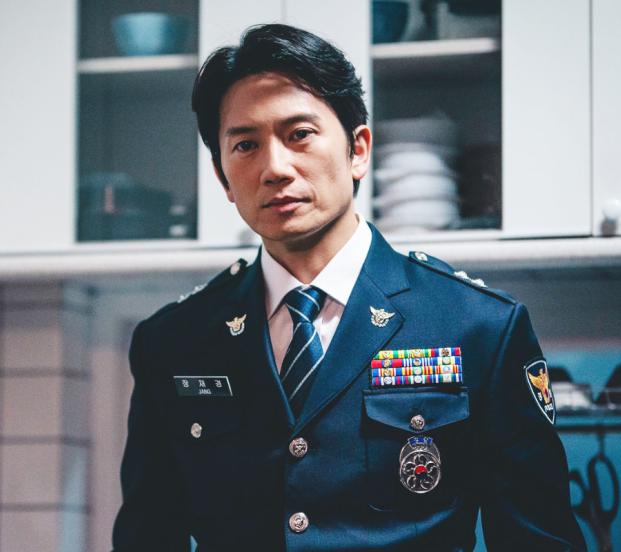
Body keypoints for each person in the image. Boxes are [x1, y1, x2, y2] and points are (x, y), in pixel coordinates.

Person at [112, 24, 586, 551]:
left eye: (299, 134)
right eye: (245, 145)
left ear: (358, 149)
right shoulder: (173, 342)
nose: (274, 168)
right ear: (223, 176)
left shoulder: (478, 327)